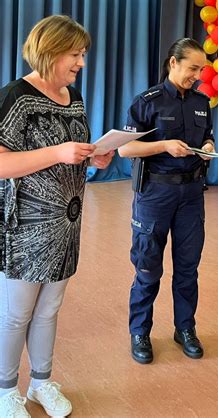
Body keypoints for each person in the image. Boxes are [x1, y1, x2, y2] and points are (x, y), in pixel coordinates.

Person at [0, 15, 114, 417]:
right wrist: (59, 152)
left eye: (83, 54)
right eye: (75, 54)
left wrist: (93, 157)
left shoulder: (75, 97)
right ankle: (5, 391)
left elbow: (74, 153)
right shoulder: (16, 96)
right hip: (26, 229)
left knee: (49, 310)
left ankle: (41, 383)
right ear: (49, 51)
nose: (81, 62)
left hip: (66, 224)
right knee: (17, 315)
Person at [118, 38, 214, 364]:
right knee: (148, 268)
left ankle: (185, 329)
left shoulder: (202, 101)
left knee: (188, 269)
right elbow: (125, 149)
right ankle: (140, 332)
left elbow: (207, 136)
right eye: (192, 68)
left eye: (201, 69)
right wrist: (163, 146)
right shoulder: (148, 101)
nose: (197, 75)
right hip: (155, 195)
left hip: (191, 196)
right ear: (173, 63)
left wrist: (210, 146)